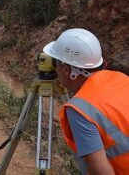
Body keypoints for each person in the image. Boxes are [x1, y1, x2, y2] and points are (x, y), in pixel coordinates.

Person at [43, 28, 129, 175]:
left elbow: (100, 171)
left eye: (56, 63)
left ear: (66, 70)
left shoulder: (80, 109)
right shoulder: (121, 78)